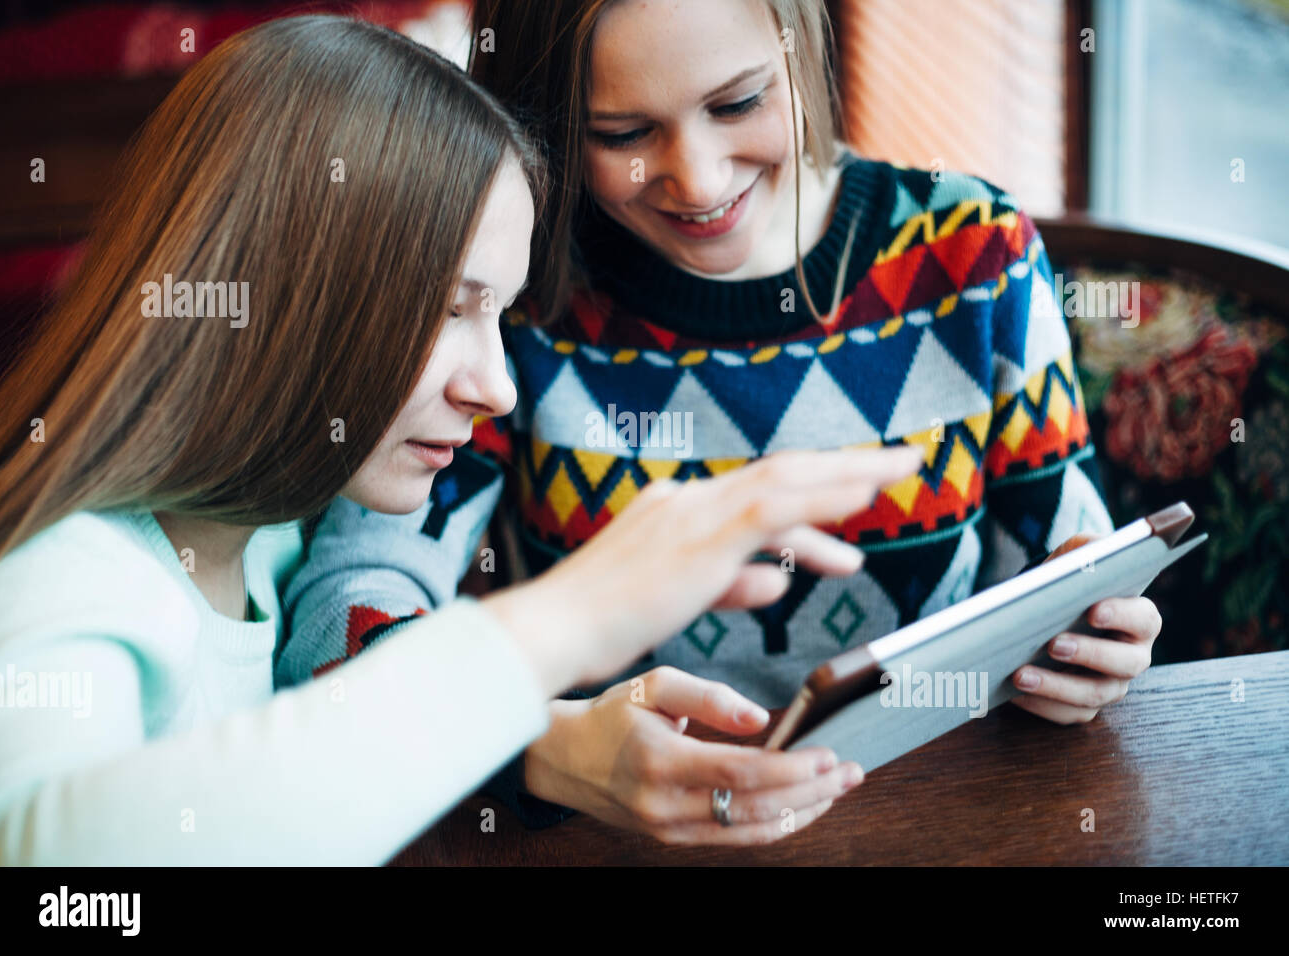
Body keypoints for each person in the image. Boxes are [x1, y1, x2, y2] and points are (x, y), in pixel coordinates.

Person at [0, 13, 922, 865]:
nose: (499, 388)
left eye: (502, 315)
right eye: (449, 308)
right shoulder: (66, 576)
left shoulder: (278, 534)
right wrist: (568, 621)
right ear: (273, 293)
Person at [276, 0, 1163, 843]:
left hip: (951, 817)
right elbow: (339, 614)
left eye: (738, 103)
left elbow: (1066, 556)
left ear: (801, 40)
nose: (698, 181)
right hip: (612, 841)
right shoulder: (519, 292)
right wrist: (535, 746)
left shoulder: (975, 255)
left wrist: (1096, 636)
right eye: (620, 134)